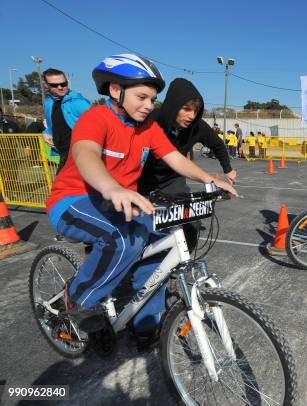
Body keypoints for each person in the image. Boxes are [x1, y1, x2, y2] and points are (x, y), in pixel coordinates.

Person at [46, 54, 237, 336]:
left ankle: (146, 324)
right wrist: (111, 187)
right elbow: (84, 154)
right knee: (123, 241)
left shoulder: (148, 128)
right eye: (142, 97)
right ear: (115, 90)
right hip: (73, 201)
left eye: (152, 99)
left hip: (119, 203)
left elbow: (175, 158)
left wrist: (212, 180)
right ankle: (76, 299)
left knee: (163, 239)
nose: (149, 106)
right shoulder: (95, 118)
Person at [138, 78, 237, 252]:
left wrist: (227, 170)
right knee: (143, 231)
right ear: (173, 105)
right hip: (143, 180)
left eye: (196, 110)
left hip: (173, 179)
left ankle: (178, 267)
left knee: (190, 224)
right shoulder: (151, 120)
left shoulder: (197, 126)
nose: (191, 115)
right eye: (186, 109)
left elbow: (218, 145)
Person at [42, 68, 91, 173]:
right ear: (46, 85)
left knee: (61, 187)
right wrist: (46, 133)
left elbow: (100, 123)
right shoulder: (48, 103)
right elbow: (52, 125)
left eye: (63, 84)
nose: (60, 87)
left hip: (80, 155)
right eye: (55, 85)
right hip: (63, 153)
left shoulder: (78, 102)